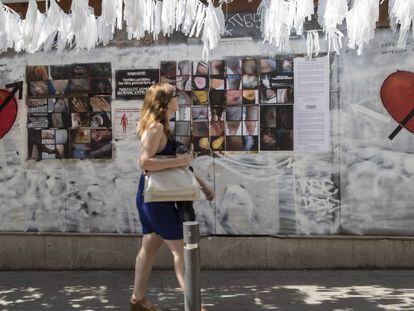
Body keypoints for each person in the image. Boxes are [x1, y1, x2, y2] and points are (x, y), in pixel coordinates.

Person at [132, 83, 198, 311]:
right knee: (180, 250)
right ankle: (194, 304)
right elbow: (144, 162)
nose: (178, 100)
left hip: (153, 196)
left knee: (149, 247)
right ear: (165, 102)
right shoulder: (156, 129)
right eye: (174, 97)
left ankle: (138, 299)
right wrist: (178, 161)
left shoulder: (160, 127)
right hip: (156, 199)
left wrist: (203, 186)